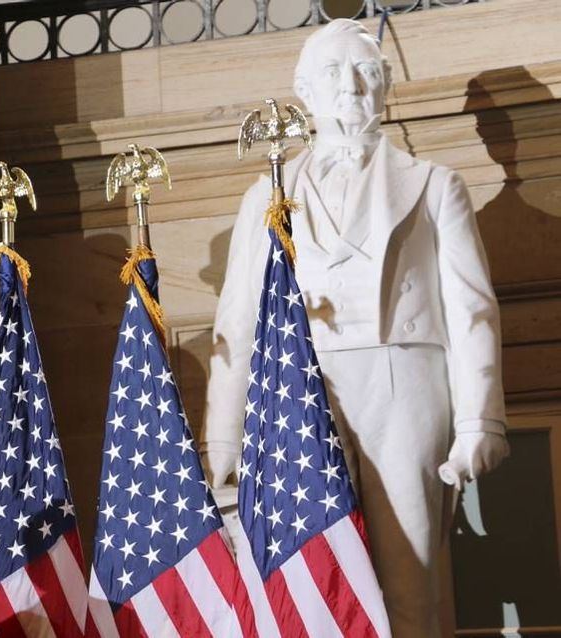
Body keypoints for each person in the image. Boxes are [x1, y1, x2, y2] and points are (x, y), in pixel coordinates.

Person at [201, 19, 510, 637]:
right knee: (307, 579)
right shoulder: (267, 193)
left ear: (387, 84)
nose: (352, 85)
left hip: (408, 387)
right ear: (303, 90)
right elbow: (235, 324)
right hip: (297, 388)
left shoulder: (434, 186)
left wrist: (481, 418)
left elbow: (474, 309)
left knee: (409, 574)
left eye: (367, 70)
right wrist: (224, 442)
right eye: (334, 71)